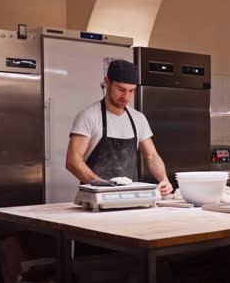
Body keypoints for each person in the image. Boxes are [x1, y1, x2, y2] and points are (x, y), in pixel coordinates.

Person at [66, 59, 173, 197]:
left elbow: (152, 156)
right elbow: (72, 161)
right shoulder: (89, 116)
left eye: (131, 91)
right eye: (121, 89)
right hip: (96, 198)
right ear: (107, 82)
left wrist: (164, 179)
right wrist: (104, 187)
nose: (126, 96)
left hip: (129, 197)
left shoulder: (138, 119)